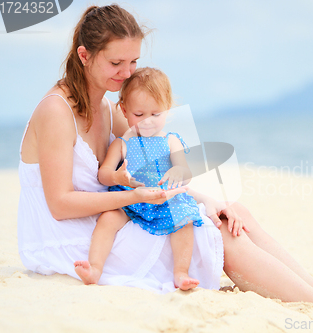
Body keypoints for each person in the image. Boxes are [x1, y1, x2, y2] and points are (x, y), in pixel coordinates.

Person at [18, 4, 313, 319]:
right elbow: (60, 204)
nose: (128, 73)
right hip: (74, 236)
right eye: (116, 62)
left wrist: (208, 200)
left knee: (231, 213)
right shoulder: (56, 111)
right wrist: (138, 198)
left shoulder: (109, 107)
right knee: (211, 235)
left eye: (133, 61)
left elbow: (159, 162)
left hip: (117, 212)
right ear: (84, 55)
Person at [74, 67, 239, 291]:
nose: (147, 121)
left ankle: (180, 273)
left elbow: (186, 171)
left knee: (184, 220)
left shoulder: (171, 141)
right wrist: (117, 176)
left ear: (167, 109)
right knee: (108, 219)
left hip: (164, 199)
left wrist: (177, 171)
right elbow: (103, 174)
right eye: (139, 114)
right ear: (123, 109)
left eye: (156, 114)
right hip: (129, 201)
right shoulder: (122, 143)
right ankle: (94, 268)